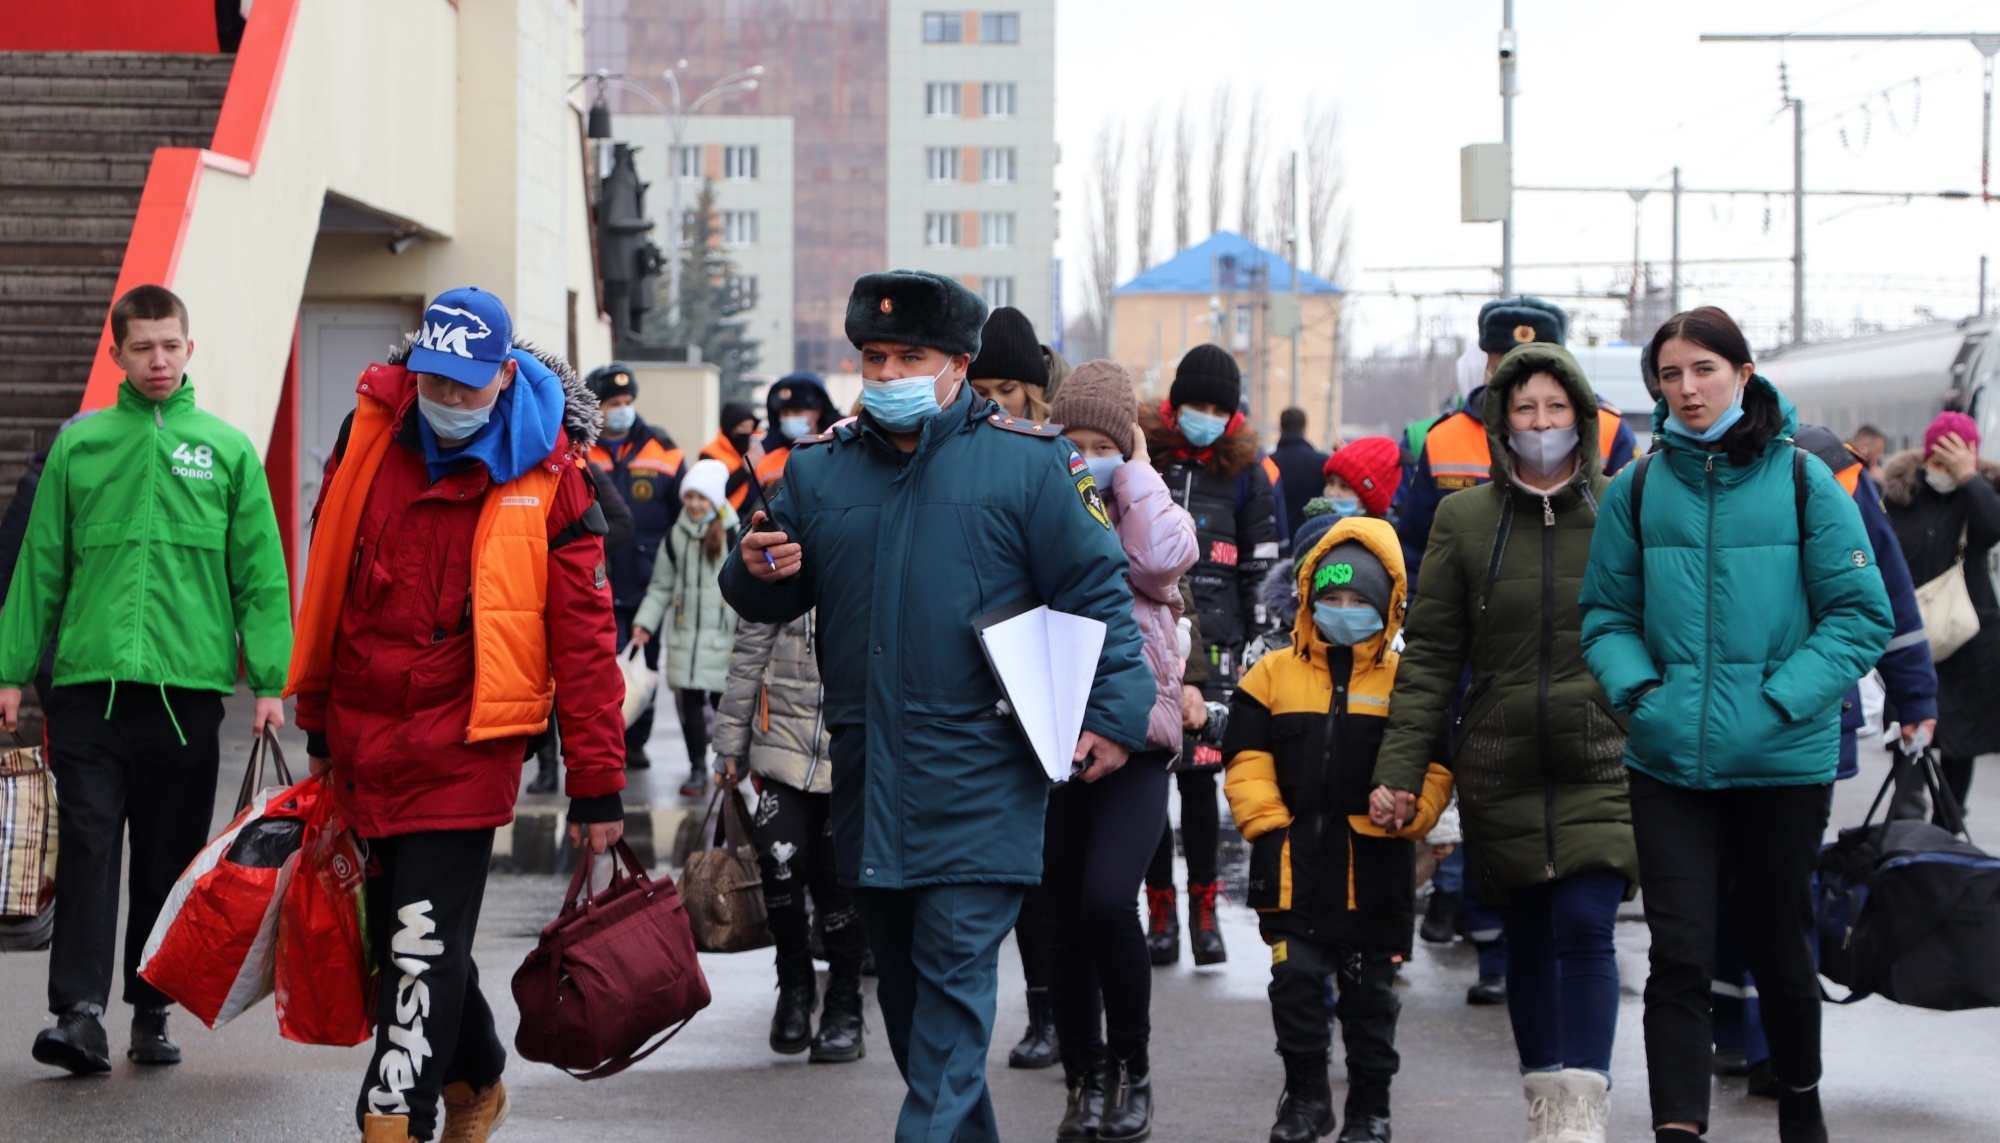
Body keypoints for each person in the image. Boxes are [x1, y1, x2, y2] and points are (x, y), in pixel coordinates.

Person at [719, 270, 1152, 1143]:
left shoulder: (1030, 466)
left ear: (957, 364)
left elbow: (1099, 589)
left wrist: (1114, 711)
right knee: (921, 1032)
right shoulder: (819, 473)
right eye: (873, 357)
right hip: (869, 787)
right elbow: (755, 587)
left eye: (908, 356)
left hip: (981, 780)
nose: (886, 374)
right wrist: (751, 566)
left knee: (951, 1014)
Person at [282, 287, 627, 1143]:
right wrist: (320, 723)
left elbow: (584, 642)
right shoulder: (369, 438)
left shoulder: (554, 478)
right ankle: (479, 1078)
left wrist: (597, 786)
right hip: (367, 738)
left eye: (467, 387)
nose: (447, 401)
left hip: (468, 748)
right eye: (434, 382)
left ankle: (394, 1119)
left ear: (505, 376)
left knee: (419, 946)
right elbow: (332, 583)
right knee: (413, 940)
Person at [1579, 306, 1892, 1143]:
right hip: (1667, 760)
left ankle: (1800, 1098)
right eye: (1670, 375)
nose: (1686, 388)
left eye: (1703, 370)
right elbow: (1605, 614)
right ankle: (1678, 1127)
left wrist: (1786, 698)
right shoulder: (1637, 488)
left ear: (1743, 374)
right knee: (1679, 952)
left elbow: (1861, 614)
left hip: (1783, 761)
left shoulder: (1803, 480)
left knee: (1779, 946)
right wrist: (1643, 694)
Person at [0, 285, 291, 1075]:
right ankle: (79, 1013)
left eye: (170, 345)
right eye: (142, 348)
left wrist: (269, 679)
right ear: (117, 355)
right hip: (89, 688)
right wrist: (11, 669)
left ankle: (149, 1008)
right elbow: (42, 565)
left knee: (166, 858)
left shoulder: (227, 450)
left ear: (189, 349)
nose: (158, 360)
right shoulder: (80, 445)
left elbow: (260, 574)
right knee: (90, 845)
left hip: (186, 695)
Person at [1374, 342, 1641, 1142]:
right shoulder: (1465, 518)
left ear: (1583, 417)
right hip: (1503, 761)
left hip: (1602, 755)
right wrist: (1402, 768)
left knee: (1588, 923)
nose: (1541, 423)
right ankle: (1545, 1101)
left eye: (1556, 408)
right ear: (1500, 420)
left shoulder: (1622, 509)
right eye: (1525, 409)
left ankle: (1582, 1110)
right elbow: (1429, 658)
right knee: (1528, 930)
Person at [1706, 424, 1940, 1093]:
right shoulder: (1674, 469)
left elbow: (1885, 592)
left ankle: (1769, 1046)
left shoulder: (1830, 470)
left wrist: (1915, 691)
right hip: (1706, 722)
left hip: (1798, 718)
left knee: (1778, 884)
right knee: (1723, 880)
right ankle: (1731, 1025)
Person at [1226, 518, 1453, 1143]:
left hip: (1375, 872)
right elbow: (1246, 758)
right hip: (1292, 865)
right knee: (1295, 984)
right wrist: (1267, 826)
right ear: (1307, 597)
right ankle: (1303, 1099)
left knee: (1370, 1000)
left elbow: (1436, 764)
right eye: (1332, 598)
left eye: (1362, 602)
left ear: (1391, 607)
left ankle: (1369, 1109)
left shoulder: (1409, 684)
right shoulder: (1271, 675)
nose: (1345, 611)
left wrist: (1411, 808)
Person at [1041, 360, 1199, 1143]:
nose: (1086, 451)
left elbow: (1161, 562)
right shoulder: (1036, 494)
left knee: (1109, 898)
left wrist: (1130, 473)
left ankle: (1133, 1065)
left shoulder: (1149, 500)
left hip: (1139, 733)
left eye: (1102, 438)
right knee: (1061, 913)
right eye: (1072, 438)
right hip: (1055, 724)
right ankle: (1083, 1075)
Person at [1140, 343, 1279, 968]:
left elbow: (1263, 568)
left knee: (1199, 783)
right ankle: (1160, 909)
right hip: (1152, 641)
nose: (1204, 416)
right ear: (1174, 404)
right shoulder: (1147, 457)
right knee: (1146, 781)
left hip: (1217, 649)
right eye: (1194, 404)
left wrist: (1261, 647)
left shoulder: (1250, 472)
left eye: (1217, 408)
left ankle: (1205, 909)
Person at [966, 305, 1062, 1069]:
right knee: (1012, 869)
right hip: (978, 681)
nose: (999, 404)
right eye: (984, 388)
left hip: (1048, 676)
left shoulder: (1057, 458)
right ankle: (1039, 1011)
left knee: (1053, 865)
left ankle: (1060, 1011)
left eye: (1011, 389)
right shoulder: (955, 452)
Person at [711, 607, 870, 1063]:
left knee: (841, 879)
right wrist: (729, 744)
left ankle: (845, 996)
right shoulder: (782, 549)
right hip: (781, 747)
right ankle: (794, 978)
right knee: (779, 863)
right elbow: (748, 656)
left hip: (852, 751)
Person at [1397, 297, 1637, 586]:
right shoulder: (1444, 437)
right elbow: (1415, 552)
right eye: (1503, 370)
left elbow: (1632, 537)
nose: (1516, 387)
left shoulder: (1608, 429)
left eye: (1533, 372)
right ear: (1486, 368)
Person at [1881, 410, 2000, 819]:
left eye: (1953, 463)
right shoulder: (1901, 498)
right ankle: (1907, 823)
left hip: (1969, 636)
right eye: (1937, 463)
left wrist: (1969, 478)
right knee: (1907, 733)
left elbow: (1993, 527)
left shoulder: (1980, 496)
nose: (1942, 472)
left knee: (1960, 741)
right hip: (1912, 639)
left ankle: (1948, 828)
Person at [584, 362, 683, 773]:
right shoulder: (581, 446)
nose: (622, 409)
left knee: (646, 661)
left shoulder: (662, 446)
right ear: (598, 406)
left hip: (647, 579)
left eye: (627, 402)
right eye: (613, 403)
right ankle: (608, 739)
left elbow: (684, 514)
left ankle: (637, 742)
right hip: (599, 577)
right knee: (603, 665)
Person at [632, 458, 739, 800]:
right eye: (689, 497)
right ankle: (696, 767)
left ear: (716, 501)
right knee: (690, 707)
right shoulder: (675, 537)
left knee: (728, 708)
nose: (694, 504)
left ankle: (728, 764)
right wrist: (645, 623)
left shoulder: (734, 534)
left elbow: (748, 589)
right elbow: (661, 586)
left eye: (702, 498)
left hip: (722, 638)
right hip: (684, 640)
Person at [755, 371, 843, 488]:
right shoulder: (767, 462)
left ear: (817, 412)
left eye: (797, 412)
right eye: (785, 413)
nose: (790, 418)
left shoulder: (839, 452)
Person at [967, 305, 1053, 421]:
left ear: (1032, 391)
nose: (995, 405)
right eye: (981, 393)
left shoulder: (1070, 431)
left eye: (1007, 390)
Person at [1271, 407, 1333, 538]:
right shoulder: (1322, 462)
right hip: (1313, 538)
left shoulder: (1268, 463)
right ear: (1305, 429)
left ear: (1280, 429)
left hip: (1277, 541)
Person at [701, 400, 764, 513]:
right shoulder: (710, 453)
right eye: (743, 427)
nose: (747, 432)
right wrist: (744, 470)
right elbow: (710, 492)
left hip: (756, 514)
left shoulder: (757, 449)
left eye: (751, 427)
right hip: (724, 518)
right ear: (730, 427)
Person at [1322, 435, 1402, 522]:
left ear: (1368, 502)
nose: (1331, 493)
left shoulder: (1366, 535)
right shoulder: (1320, 525)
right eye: (1331, 482)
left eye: (1344, 486)